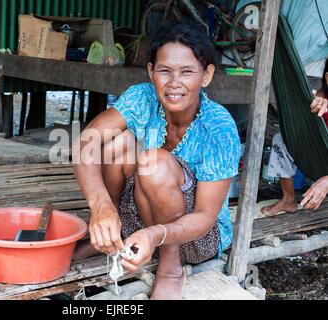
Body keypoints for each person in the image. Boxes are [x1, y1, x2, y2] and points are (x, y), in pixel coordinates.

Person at [72, 22, 240, 300]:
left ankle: (171, 268)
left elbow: (205, 218)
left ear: (206, 75)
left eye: (187, 72)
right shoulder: (142, 98)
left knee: (154, 163)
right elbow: (86, 141)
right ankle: (108, 234)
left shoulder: (219, 127)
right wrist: (100, 206)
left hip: (195, 237)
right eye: (165, 71)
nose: (174, 83)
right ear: (151, 72)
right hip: (142, 218)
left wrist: (156, 236)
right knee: (120, 143)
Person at [261, 57, 328, 216]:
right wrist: (313, 104)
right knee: (281, 139)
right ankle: (288, 199)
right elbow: (310, 120)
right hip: (321, 155)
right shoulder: (323, 94)